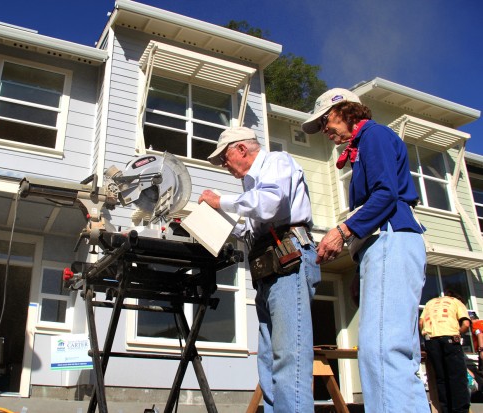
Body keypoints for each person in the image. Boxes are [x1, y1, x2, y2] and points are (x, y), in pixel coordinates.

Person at [302, 88, 429, 412]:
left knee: (382, 350)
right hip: (383, 246)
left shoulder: (374, 136)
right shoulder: (362, 147)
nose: (324, 130)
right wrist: (360, 264)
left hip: (391, 239)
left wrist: (342, 232)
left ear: (347, 111)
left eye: (325, 120)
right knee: (394, 351)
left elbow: (385, 195)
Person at [198, 126, 320, 413]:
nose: (224, 165)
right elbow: (250, 229)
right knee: (267, 357)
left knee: (290, 354)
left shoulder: (276, 162)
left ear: (241, 149)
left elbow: (268, 204)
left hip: (288, 257)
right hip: (267, 263)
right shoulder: (251, 185)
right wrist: (214, 218)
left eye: (224, 158)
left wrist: (220, 201)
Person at [419, 291, 471, 413]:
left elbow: (421, 323)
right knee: (457, 377)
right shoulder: (456, 302)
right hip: (450, 338)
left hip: (431, 341)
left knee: (441, 378)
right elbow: (466, 324)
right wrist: (458, 332)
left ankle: (445, 409)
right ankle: (459, 410)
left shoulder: (429, 303)